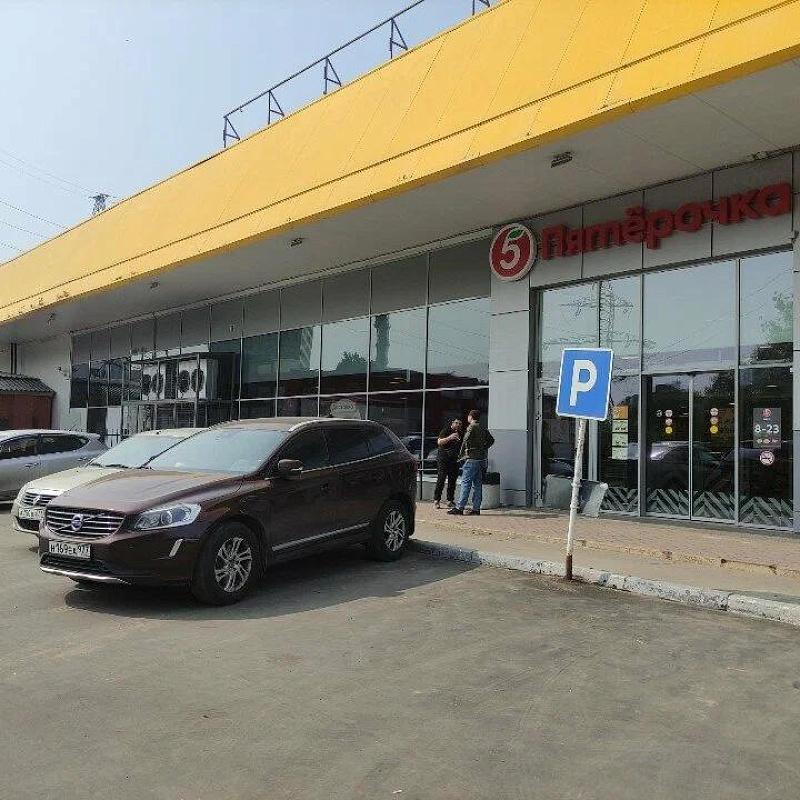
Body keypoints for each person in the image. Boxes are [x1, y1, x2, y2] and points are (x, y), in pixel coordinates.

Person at [447, 409, 494, 516]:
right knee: (477, 485)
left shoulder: (471, 427)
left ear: (470, 417)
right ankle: (476, 509)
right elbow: (491, 440)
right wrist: (483, 448)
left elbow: (465, 441)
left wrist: (461, 455)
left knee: (465, 483)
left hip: (471, 459)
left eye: (468, 416)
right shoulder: (483, 427)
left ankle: (459, 508)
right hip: (481, 459)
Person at [434, 417, 463, 509]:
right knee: (441, 479)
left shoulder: (461, 433)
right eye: (456, 423)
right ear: (452, 423)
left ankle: (450, 500)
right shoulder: (446, 430)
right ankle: (436, 500)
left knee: (452, 481)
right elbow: (439, 442)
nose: (458, 425)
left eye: (460, 424)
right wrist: (450, 437)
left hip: (454, 459)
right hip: (443, 459)